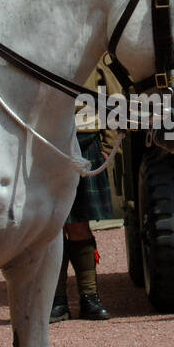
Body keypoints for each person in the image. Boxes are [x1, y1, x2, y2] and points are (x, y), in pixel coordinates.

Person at [51, 129, 113, 323]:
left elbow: (112, 101)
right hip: (46, 142)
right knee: (53, 228)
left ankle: (90, 298)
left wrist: (109, 145)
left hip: (85, 140)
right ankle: (56, 301)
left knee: (78, 225)